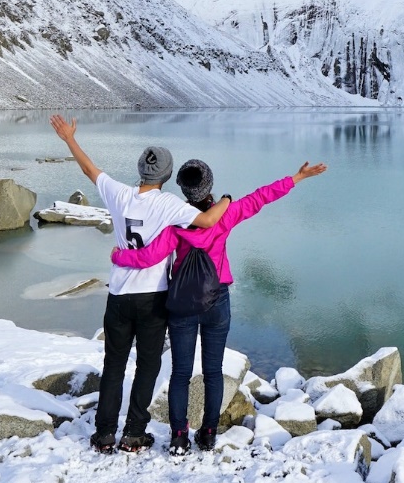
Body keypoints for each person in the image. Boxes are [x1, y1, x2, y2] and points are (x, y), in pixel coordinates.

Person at [112, 157, 327, 455]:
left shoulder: (176, 219)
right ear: (209, 186)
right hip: (217, 299)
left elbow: (150, 257)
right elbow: (262, 196)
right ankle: (209, 433)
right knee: (213, 371)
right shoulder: (226, 214)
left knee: (180, 373)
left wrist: (119, 257)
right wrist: (297, 177)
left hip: (182, 304)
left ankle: (178, 436)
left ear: (185, 191)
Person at [50, 115, 231, 455]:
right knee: (148, 365)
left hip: (118, 295)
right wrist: (227, 200)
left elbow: (90, 170)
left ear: (141, 169)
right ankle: (134, 433)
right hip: (152, 298)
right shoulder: (168, 204)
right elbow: (207, 220)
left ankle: (104, 435)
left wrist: (69, 139)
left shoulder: (118, 193)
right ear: (166, 175)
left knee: (114, 365)